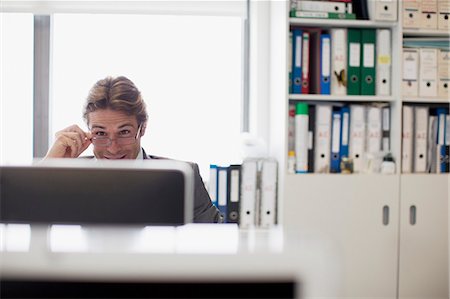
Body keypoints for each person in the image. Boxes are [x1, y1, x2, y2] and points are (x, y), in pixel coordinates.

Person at [45, 75, 223, 223]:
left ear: (142, 128)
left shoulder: (182, 176)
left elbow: (217, 242)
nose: (113, 148)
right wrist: (49, 167)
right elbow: (23, 230)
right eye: (100, 133)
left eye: (124, 132)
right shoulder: (68, 178)